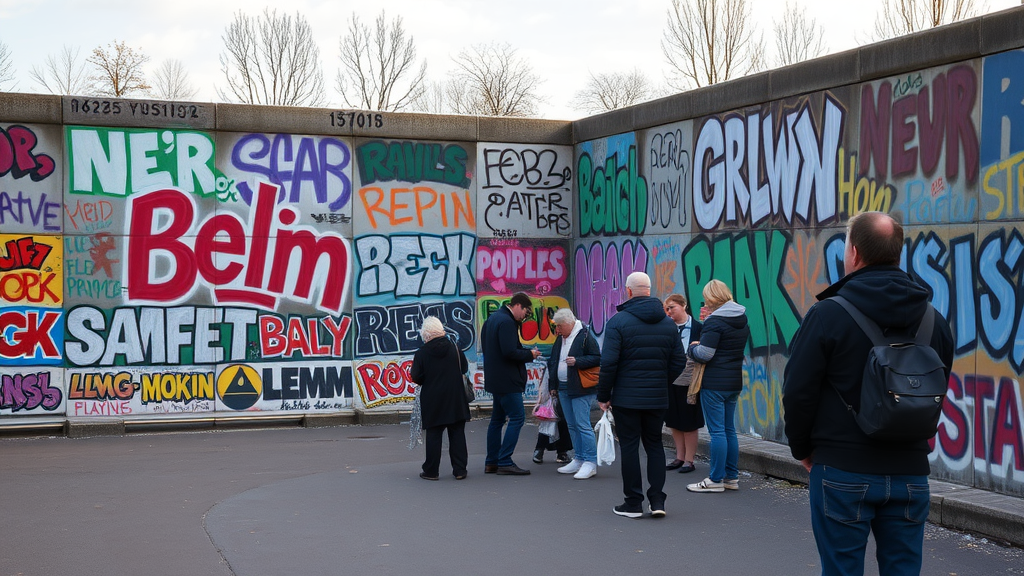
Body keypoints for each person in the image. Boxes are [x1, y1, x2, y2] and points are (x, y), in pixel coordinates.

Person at [782, 211, 954, 576]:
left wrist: (803, 449)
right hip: (910, 472)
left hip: (842, 469)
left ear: (854, 253)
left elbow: (798, 391)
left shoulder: (828, 314)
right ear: (897, 252)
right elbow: (938, 389)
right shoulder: (933, 319)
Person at [597, 272, 686, 518]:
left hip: (626, 398)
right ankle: (657, 501)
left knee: (629, 447)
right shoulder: (668, 323)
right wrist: (662, 383)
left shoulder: (618, 322)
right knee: (655, 445)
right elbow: (679, 362)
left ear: (628, 291)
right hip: (657, 397)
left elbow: (609, 363)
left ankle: (633, 502)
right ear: (649, 290)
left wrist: (604, 395)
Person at [686, 279, 750, 494]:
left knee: (717, 433)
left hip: (714, 383)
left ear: (712, 298)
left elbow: (705, 354)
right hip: (733, 382)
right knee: (729, 430)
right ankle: (731, 477)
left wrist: (692, 349)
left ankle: (715, 479)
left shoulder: (715, 322)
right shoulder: (741, 318)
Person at [481, 292, 542, 476]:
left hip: (495, 379)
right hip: (508, 380)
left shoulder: (492, 320)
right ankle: (505, 460)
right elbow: (509, 352)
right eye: (525, 311)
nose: (524, 316)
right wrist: (529, 355)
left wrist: (524, 351)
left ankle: (491, 461)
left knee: (497, 421)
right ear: (518, 306)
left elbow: (498, 349)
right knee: (517, 418)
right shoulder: (507, 322)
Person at [410, 316, 471, 481]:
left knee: (434, 435)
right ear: (441, 330)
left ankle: (431, 471)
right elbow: (463, 368)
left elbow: (416, 376)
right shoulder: (455, 348)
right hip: (455, 398)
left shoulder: (422, 353)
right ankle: (460, 470)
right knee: (457, 434)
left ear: (426, 334)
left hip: (433, 400)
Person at [547, 308, 601, 479]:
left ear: (569, 323)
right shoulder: (561, 338)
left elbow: (597, 357)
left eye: (560, 326)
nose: (557, 330)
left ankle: (590, 462)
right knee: (572, 425)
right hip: (563, 387)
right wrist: (553, 385)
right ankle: (579, 458)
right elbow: (554, 361)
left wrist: (578, 361)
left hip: (580, 387)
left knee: (583, 425)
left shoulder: (584, 335)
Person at [663, 294, 703, 474]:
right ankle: (679, 457)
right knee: (673, 420)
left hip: (691, 380)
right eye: (667, 309)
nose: (669, 311)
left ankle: (690, 460)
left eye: (672, 307)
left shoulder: (699, 328)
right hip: (669, 379)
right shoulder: (665, 328)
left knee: (689, 420)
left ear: (684, 305)